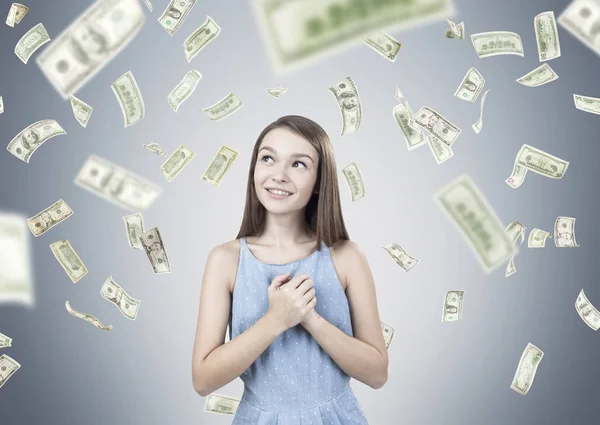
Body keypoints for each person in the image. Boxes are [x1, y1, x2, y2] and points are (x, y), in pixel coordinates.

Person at [191, 115, 388, 424]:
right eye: (268, 158)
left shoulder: (346, 256)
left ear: (319, 182)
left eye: (298, 164)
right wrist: (275, 320)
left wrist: (310, 320)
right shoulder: (225, 260)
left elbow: (377, 374)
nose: (279, 175)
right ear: (254, 169)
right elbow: (203, 380)